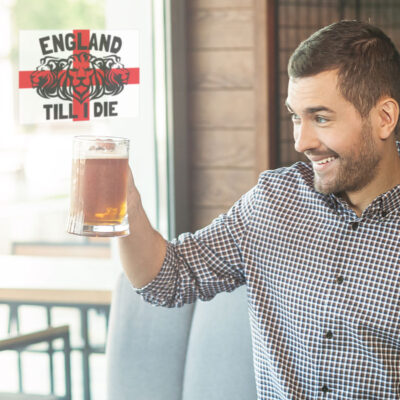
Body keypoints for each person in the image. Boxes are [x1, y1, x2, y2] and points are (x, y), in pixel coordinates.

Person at [119, 20, 400, 399]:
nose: (302, 141)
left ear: (384, 117)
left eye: (321, 118)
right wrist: (125, 203)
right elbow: (168, 278)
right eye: (295, 117)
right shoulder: (273, 200)